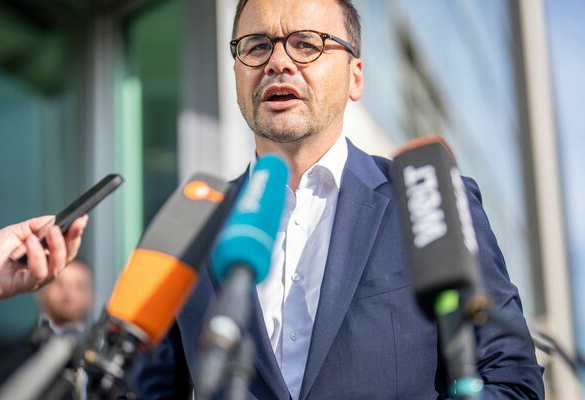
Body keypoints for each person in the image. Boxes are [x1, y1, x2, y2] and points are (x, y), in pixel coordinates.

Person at [138, 0, 545, 398]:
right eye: (257, 46)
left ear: (356, 77)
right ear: (236, 73)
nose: (278, 62)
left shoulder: (425, 200)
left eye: (306, 43)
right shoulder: (192, 224)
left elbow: (514, 380)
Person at [0, 259, 94, 395]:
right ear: (40, 291)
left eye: (78, 286)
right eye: (59, 284)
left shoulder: (103, 357)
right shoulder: (10, 353)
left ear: (91, 297)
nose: (68, 294)